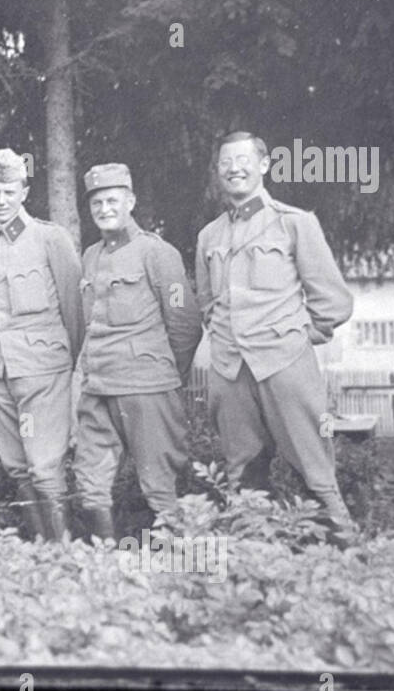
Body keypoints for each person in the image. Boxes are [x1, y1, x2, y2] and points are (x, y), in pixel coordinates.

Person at [195, 131, 355, 528]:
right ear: (217, 172)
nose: (235, 169)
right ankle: (256, 565)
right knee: (242, 475)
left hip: (285, 366)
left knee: (314, 470)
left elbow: (333, 301)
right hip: (230, 371)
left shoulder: (294, 224)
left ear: (264, 165)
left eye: (243, 160)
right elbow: (206, 303)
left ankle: (342, 557)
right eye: (226, 163)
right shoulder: (208, 236)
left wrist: (297, 339)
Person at [72, 164, 201, 541]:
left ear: (130, 201)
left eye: (113, 200)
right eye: (97, 201)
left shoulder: (158, 253)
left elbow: (185, 323)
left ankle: (180, 571)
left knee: (158, 483)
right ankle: (107, 570)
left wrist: (161, 373)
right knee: (90, 481)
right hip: (98, 388)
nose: (105, 208)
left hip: (146, 388)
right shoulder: (91, 256)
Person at [0, 148, 84, 542]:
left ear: (24, 191)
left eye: (10, 191)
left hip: (42, 371)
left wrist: (68, 367)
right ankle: (41, 552)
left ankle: (64, 555)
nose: (1, 201)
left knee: (44, 465)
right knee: (16, 465)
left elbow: (75, 312)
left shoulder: (51, 239)